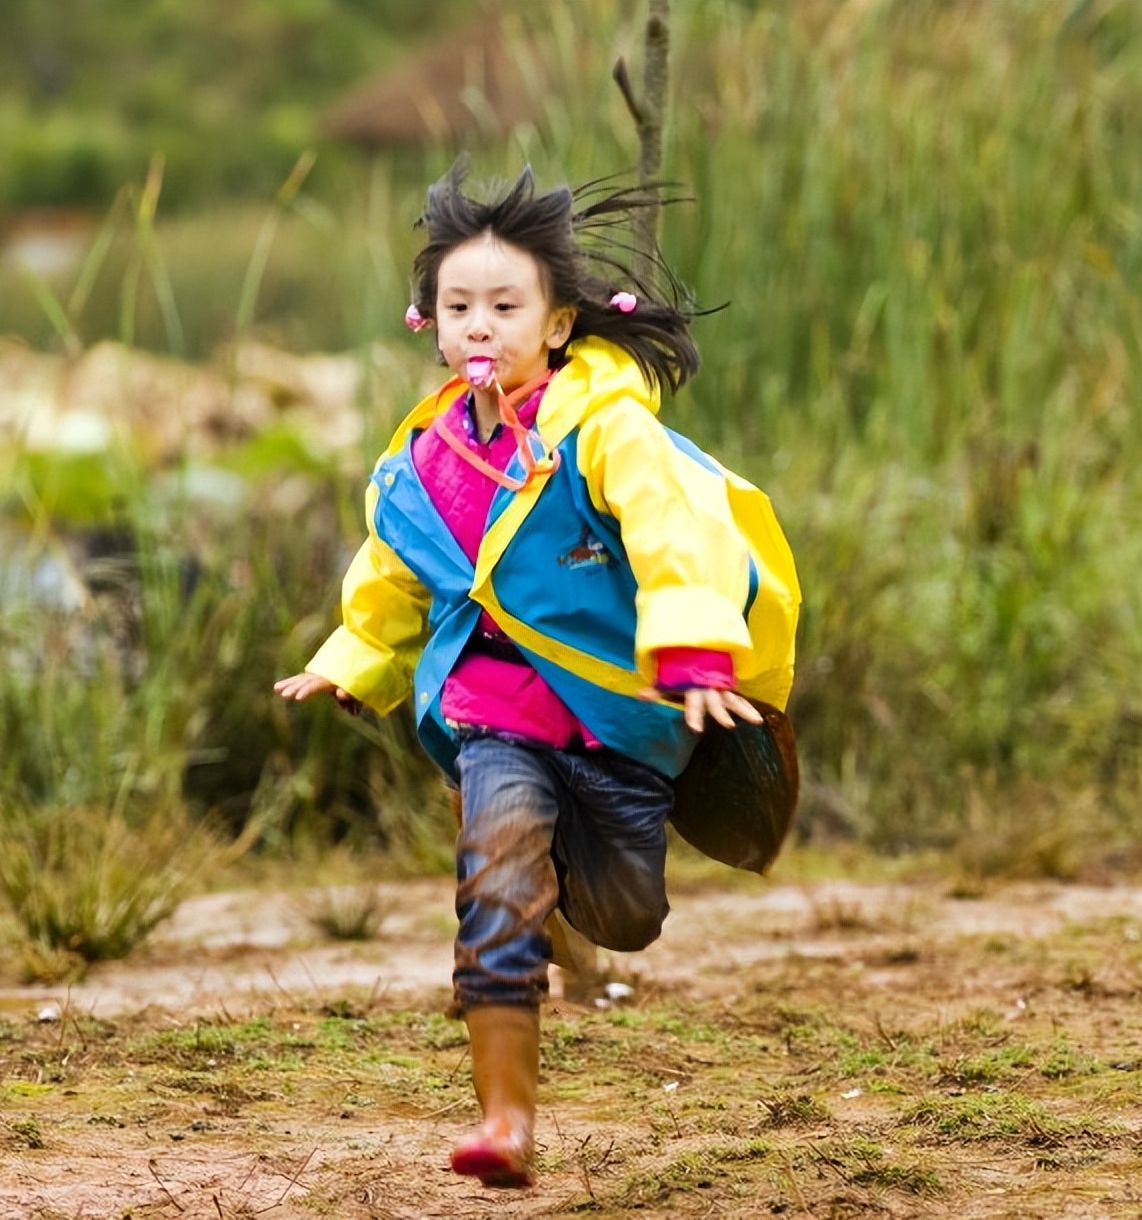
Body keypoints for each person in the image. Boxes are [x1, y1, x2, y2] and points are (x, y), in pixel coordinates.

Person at [275, 160, 799, 1189]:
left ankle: (556, 899)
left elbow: (672, 533)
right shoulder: (418, 459)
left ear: (556, 322)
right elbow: (389, 570)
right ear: (427, 319)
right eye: (457, 304)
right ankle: (504, 1120)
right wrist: (347, 661)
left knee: (625, 913)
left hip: (615, 725)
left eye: (503, 305)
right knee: (492, 886)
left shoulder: (606, 428)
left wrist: (691, 649)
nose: (479, 323)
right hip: (493, 719)